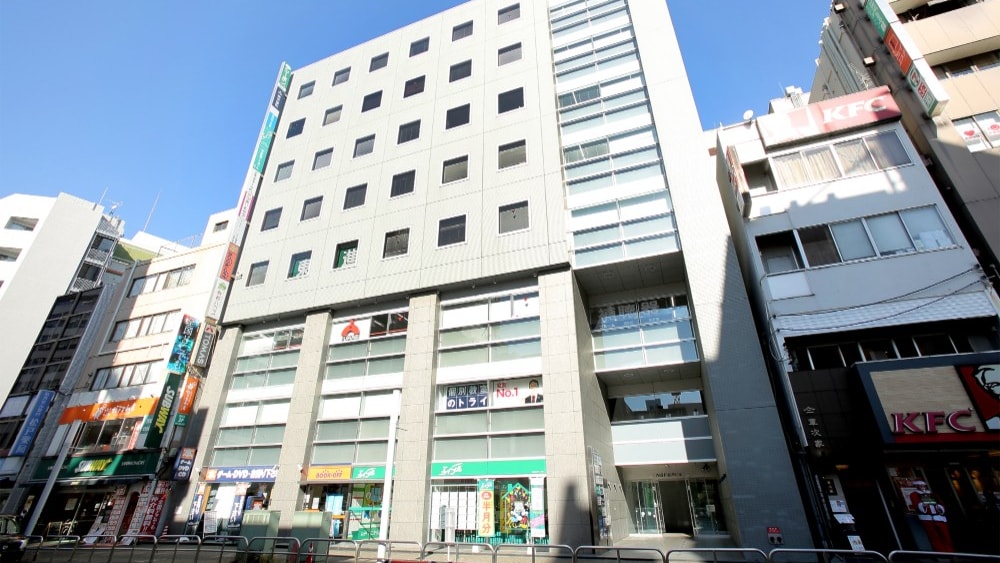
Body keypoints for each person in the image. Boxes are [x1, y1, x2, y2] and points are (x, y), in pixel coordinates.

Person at [910, 480, 953, 552]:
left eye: (923, 485)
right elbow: (917, 505)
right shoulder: (914, 494)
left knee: (946, 535)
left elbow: (940, 503)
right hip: (927, 519)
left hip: (939, 518)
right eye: (920, 486)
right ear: (917, 486)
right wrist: (923, 505)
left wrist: (939, 507)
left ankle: (950, 551)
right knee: (934, 537)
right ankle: (941, 552)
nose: (922, 487)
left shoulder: (932, 494)